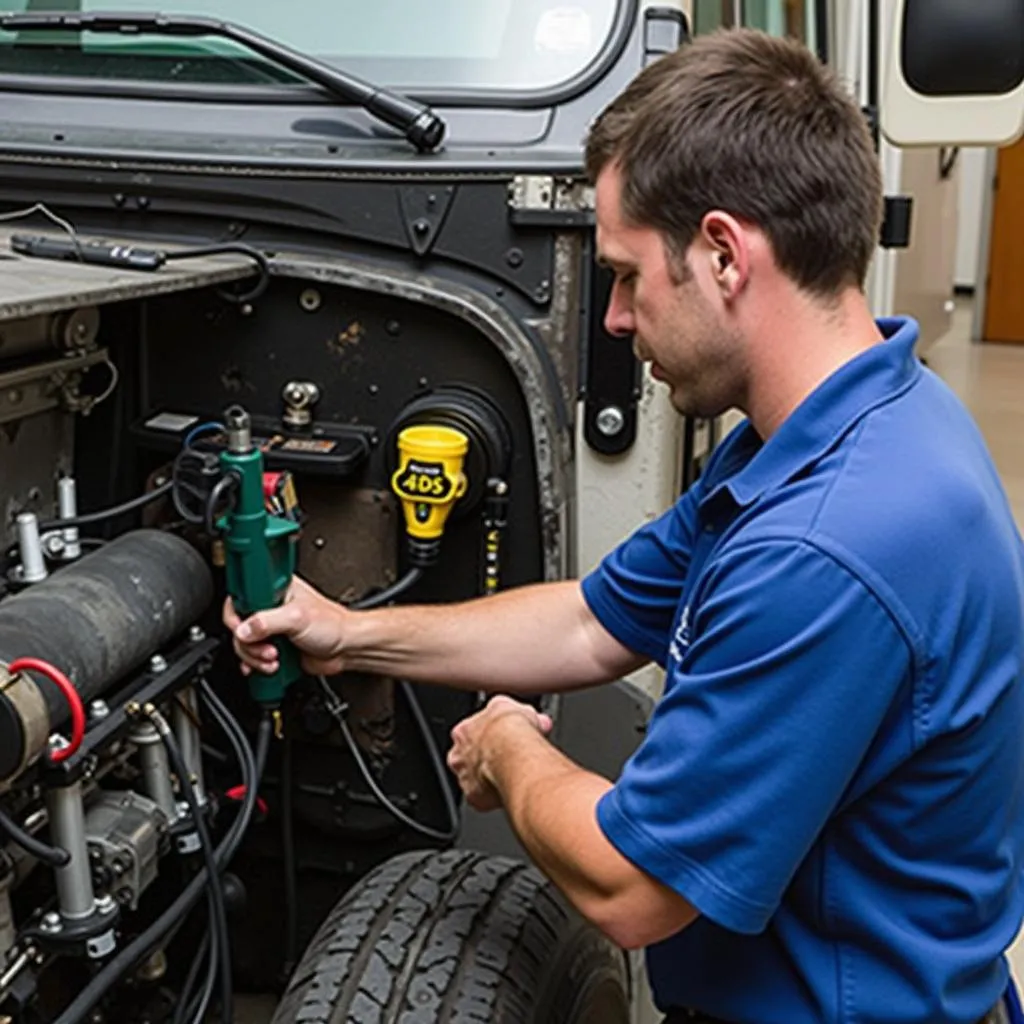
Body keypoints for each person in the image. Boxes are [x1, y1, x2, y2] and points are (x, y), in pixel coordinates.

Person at [225, 28, 1024, 1024]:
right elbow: (590, 622)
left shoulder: (828, 545)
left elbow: (629, 888)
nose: (610, 316)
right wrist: (349, 633)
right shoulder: (843, 425)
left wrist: (512, 750)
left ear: (724, 254)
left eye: (625, 274)